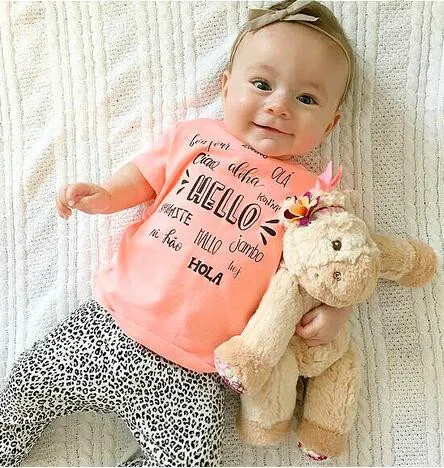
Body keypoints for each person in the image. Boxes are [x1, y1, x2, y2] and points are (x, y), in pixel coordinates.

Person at [0, 0, 355, 465]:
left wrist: (334, 311)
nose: (278, 106)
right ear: (226, 87)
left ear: (330, 124)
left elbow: (328, 265)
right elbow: (144, 176)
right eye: (262, 84)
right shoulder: (197, 136)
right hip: (109, 324)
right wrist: (106, 195)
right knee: (27, 387)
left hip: (193, 370)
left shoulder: (312, 193)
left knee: (192, 458)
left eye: (306, 99)